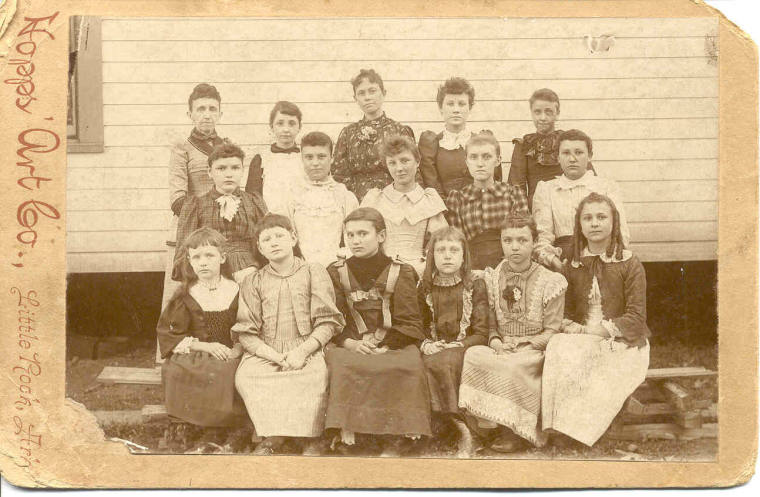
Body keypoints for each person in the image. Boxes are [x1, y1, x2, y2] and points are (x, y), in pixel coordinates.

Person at [542, 192, 650, 447]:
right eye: (588, 218)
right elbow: (565, 312)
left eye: (602, 217)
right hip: (581, 334)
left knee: (600, 356)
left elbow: (636, 318)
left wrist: (596, 332)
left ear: (614, 222)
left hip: (622, 339)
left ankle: (586, 431)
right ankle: (560, 427)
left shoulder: (630, 263)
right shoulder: (573, 265)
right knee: (558, 347)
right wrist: (574, 329)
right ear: (579, 225)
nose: (595, 223)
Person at [233, 214, 345, 455]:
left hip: (307, 346)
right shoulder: (253, 281)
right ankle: (273, 436)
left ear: (293, 238)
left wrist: (303, 351)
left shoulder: (313, 271)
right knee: (249, 377)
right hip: (267, 348)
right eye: (267, 239)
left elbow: (328, 321)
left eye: (280, 236)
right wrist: (272, 355)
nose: (274, 242)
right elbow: (246, 332)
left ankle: (311, 438)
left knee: (314, 377)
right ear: (260, 248)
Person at [325, 207, 431, 456]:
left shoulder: (402, 271)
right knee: (343, 365)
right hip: (351, 343)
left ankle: (400, 435)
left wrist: (384, 344)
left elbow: (411, 321)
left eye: (363, 233)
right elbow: (332, 316)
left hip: (393, 342)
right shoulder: (335, 272)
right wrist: (349, 342)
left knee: (408, 365)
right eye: (350, 235)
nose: (355, 240)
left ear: (381, 236)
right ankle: (350, 433)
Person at [458, 211, 567, 452]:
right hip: (502, 345)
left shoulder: (550, 281)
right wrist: (495, 341)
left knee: (513, 366)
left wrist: (526, 345)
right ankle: (486, 428)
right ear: (501, 243)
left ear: (534, 243)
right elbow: (490, 323)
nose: (514, 247)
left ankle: (517, 431)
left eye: (522, 240)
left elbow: (553, 329)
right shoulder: (493, 277)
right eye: (508, 241)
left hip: (534, 348)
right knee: (473, 355)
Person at [157, 227, 248, 434]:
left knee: (229, 370)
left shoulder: (237, 289)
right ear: (189, 261)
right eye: (196, 257)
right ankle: (202, 427)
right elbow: (169, 334)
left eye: (209, 255)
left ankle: (229, 428)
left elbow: (248, 325)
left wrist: (237, 348)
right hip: (199, 351)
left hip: (232, 350)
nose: (203, 262)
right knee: (182, 370)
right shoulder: (186, 294)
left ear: (222, 258)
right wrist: (206, 346)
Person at [416, 226, 489, 456]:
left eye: (454, 250)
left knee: (444, 362)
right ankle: (441, 426)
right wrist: (427, 343)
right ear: (432, 256)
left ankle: (464, 429)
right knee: (421, 363)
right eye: (441, 251)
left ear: (464, 255)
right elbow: (418, 324)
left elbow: (482, 330)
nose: (447, 256)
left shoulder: (475, 285)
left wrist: (461, 344)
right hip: (436, 345)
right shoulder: (425, 287)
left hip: (465, 345)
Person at [161, 83, 226, 310]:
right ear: (190, 114)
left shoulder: (227, 146)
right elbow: (177, 199)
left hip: (221, 229)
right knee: (181, 294)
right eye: (200, 109)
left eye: (212, 109)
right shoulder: (182, 147)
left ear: (220, 113)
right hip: (189, 227)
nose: (206, 115)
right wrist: (207, 214)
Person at [532, 129, 630, 272]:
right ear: (558, 157)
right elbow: (542, 237)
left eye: (579, 152)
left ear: (589, 156)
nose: (572, 159)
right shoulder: (546, 189)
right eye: (566, 153)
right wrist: (556, 263)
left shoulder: (607, 187)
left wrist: (607, 260)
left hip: (603, 260)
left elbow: (621, 232)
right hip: (562, 262)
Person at [174, 141, 268, 284]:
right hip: (209, 270)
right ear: (210, 172)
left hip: (249, 269)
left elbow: (265, 241)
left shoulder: (254, 202)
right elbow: (185, 250)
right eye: (221, 168)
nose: (229, 174)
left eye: (235, 168)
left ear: (242, 170)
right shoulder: (195, 205)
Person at [361, 135, 448, 277]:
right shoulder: (376, 198)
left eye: (405, 160)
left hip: (418, 271)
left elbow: (441, 241)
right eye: (392, 163)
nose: (399, 168)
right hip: (380, 271)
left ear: (417, 161)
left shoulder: (429, 200)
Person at [445, 131, 529, 270]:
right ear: (466, 161)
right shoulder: (458, 199)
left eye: (487, 157)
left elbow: (521, 236)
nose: (480, 164)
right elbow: (458, 242)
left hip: (509, 264)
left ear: (498, 160)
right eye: (473, 157)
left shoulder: (512, 194)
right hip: (472, 265)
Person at [331, 69, 416, 201]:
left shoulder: (399, 130)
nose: (367, 97)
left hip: (394, 199)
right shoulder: (348, 133)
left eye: (372, 91)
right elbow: (339, 175)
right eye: (361, 93)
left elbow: (412, 170)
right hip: (357, 200)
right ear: (355, 99)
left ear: (383, 93)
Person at [286, 131, 359, 268]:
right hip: (299, 267)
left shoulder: (344, 195)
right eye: (309, 157)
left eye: (321, 157)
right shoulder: (292, 195)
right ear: (301, 159)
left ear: (331, 158)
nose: (315, 163)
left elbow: (352, 239)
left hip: (337, 267)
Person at [419, 77, 488, 198]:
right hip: (443, 210)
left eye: (461, 104)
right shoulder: (431, 144)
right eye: (450, 104)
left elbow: (491, 181)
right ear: (441, 108)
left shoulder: (482, 142)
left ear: (470, 108)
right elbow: (431, 185)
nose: (456, 110)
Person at [246, 101, 307, 215]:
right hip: (271, 221)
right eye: (280, 123)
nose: (286, 129)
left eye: (292, 123)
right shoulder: (262, 159)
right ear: (272, 127)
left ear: (299, 127)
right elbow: (253, 197)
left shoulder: (305, 158)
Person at [508, 88, 564, 209]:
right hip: (537, 208)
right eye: (537, 112)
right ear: (532, 113)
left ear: (557, 113)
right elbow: (517, 187)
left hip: (565, 205)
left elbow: (589, 177)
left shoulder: (567, 141)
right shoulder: (524, 145)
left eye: (548, 112)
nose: (542, 117)